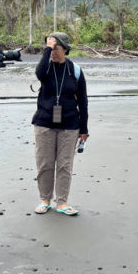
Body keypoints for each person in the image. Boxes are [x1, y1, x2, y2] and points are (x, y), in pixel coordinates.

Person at [32, 32, 88, 216]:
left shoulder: (75, 71)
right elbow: (39, 74)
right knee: (45, 164)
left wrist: (84, 128)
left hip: (70, 125)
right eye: (50, 49)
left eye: (56, 48)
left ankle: (62, 202)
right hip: (44, 123)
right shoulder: (46, 67)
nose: (53, 52)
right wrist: (47, 50)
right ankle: (45, 199)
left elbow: (83, 101)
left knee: (65, 165)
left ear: (65, 49)